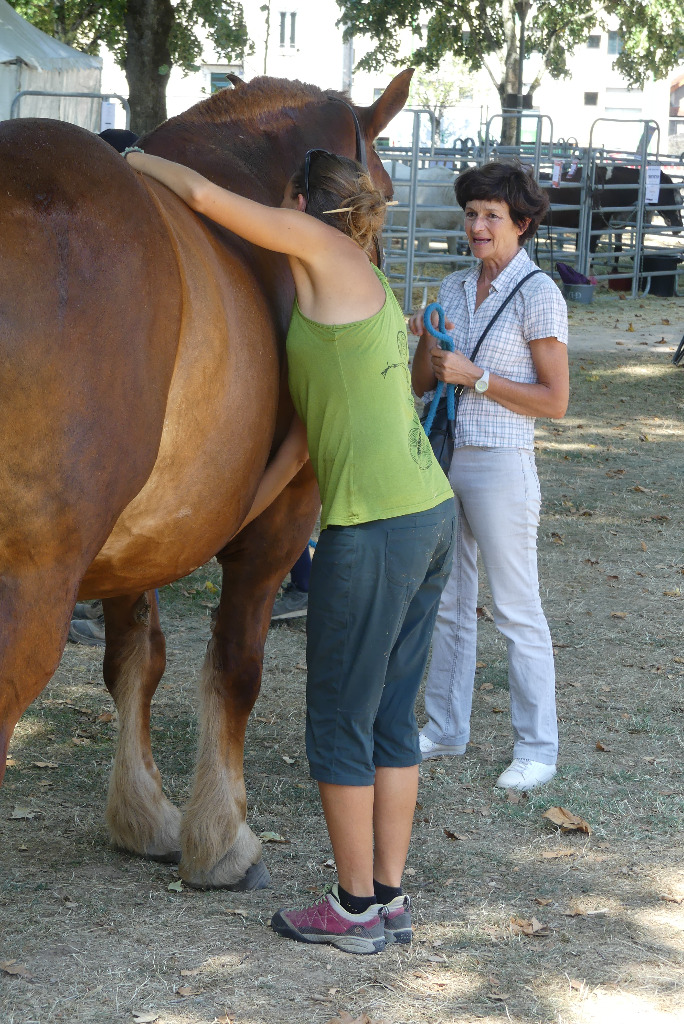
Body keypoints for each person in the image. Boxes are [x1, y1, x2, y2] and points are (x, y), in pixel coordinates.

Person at [123, 145, 455, 954]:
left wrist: (134, 156)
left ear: (299, 200)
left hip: (375, 530)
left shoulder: (317, 247)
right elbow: (307, 435)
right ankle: (387, 898)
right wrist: (235, 511)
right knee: (387, 722)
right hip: (426, 515)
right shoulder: (363, 276)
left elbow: (201, 191)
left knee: (339, 723)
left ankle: (349, 910)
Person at [410, 160, 569, 793]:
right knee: (448, 603)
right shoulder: (451, 287)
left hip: (502, 465)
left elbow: (555, 401)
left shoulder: (539, 294)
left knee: (515, 609)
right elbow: (424, 383)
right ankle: (445, 727)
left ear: (522, 224)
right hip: (445, 458)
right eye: (472, 213)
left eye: (492, 216)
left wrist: (477, 376)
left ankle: (538, 746)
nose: (478, 226)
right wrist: (427, 340)